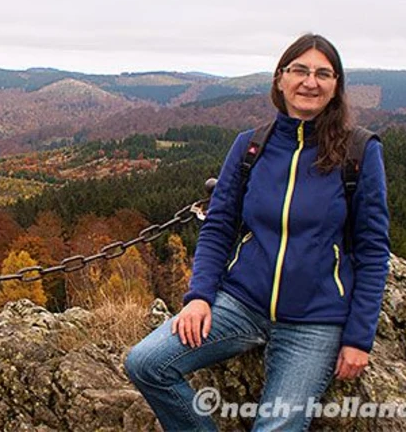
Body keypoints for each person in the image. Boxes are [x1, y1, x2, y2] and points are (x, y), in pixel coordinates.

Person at [125, 33, 391, 431]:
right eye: (299, 70)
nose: (309, 82)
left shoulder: (359, 152)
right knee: (146, 364)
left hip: (314, 320)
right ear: (280, 79)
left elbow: (372, 250)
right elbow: (218, 225)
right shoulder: (250, 146)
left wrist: (358, 338)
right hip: (241, 302)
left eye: (323, 73)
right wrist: (199, 297)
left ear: (336, 86)